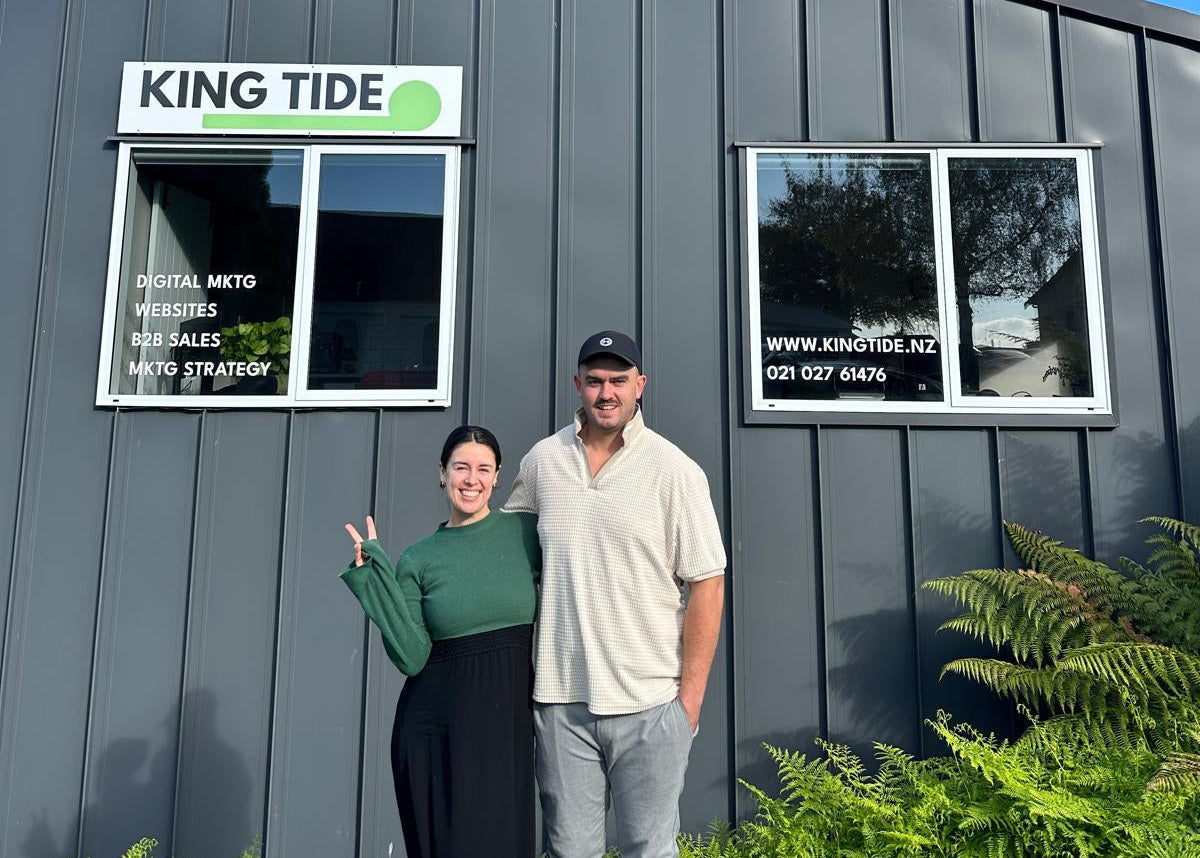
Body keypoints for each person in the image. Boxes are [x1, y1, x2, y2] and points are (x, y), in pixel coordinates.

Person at [504, 331, 727, 858]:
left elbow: (708, 583)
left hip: (650, 702)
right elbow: (508, 556)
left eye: (619, 381)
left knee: (648, 851)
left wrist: (688, 703)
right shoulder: (542, 462)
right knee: (568, 851)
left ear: (640, 386)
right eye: (596, 380)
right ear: (577, 385)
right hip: (562, 702)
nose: (607, 392)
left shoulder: (675, 471)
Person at [340, 425, 540, 858]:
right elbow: (412, 657)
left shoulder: (527, 534)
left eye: (483, 469)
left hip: (507, 725)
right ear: (442, 473)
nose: (472, 479)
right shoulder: (418, 557)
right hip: (436, 730)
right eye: (461, 467)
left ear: (498, 476)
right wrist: (375, 584)